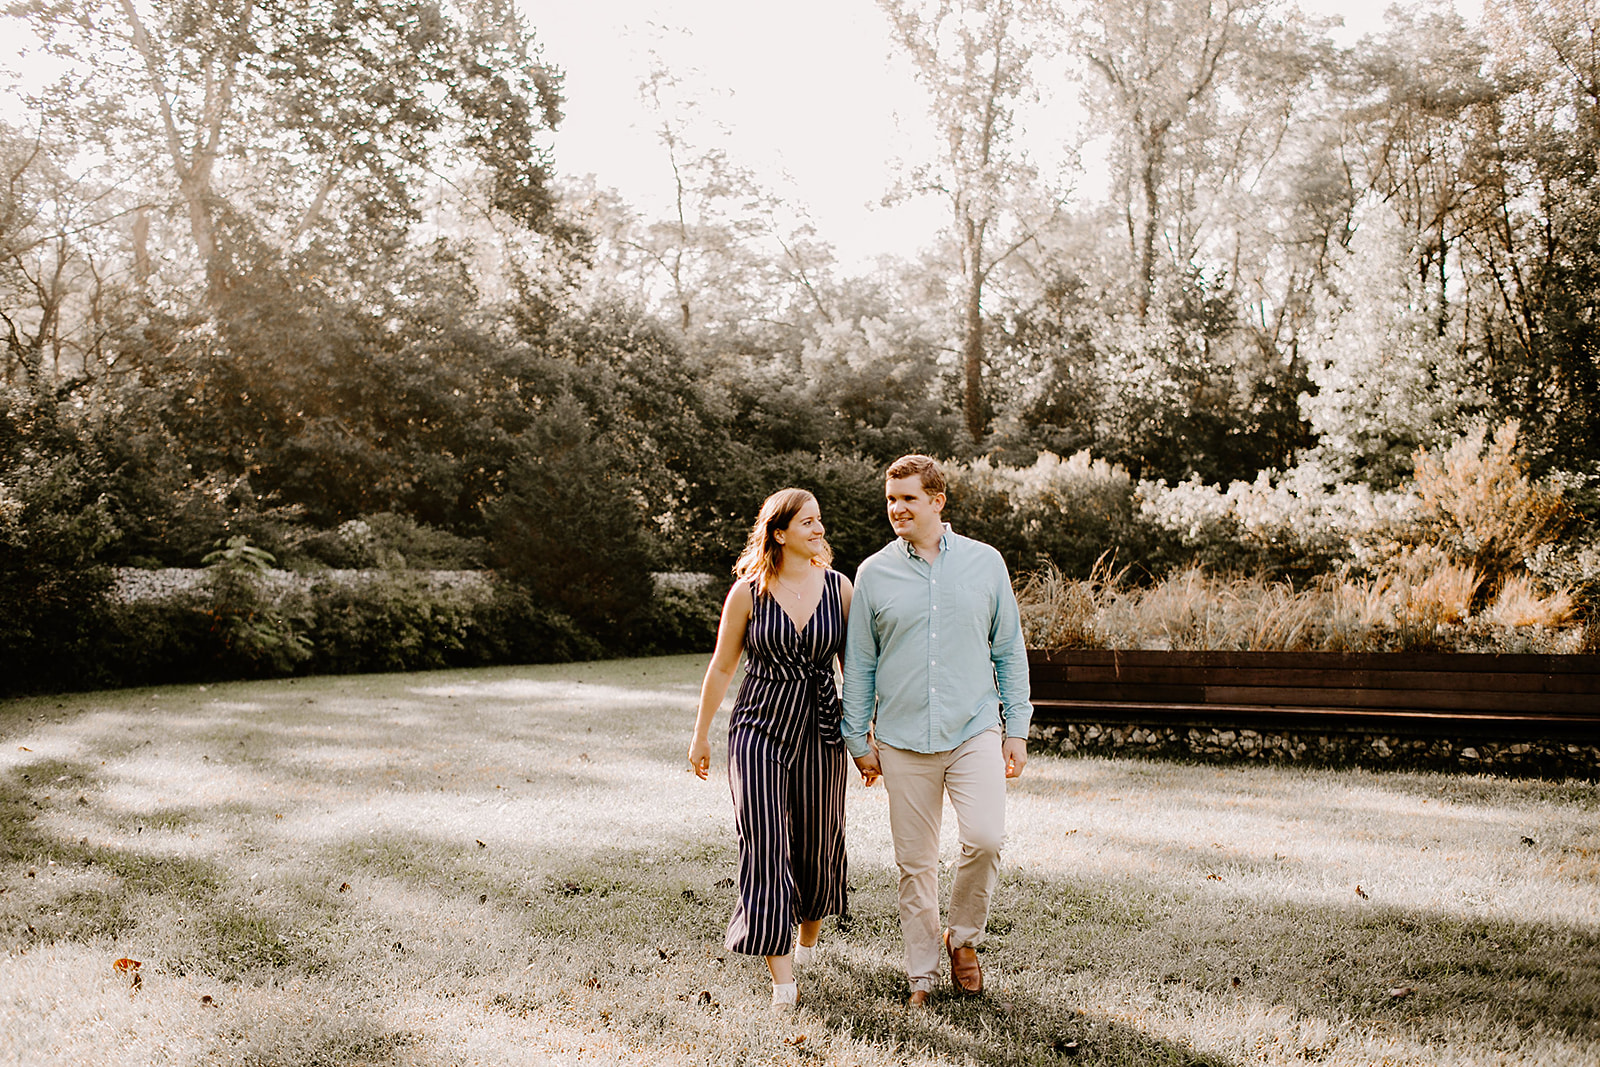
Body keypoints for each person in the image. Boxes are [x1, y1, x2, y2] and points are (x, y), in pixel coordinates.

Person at [841, 454, 1031, 1007]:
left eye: (908, 498)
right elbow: (861, 665)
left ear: (937, 501)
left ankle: (964, 940)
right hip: (900, 740)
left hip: (974, 729)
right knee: (915, 864)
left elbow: (1008, 649)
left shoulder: (985, 563)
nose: (897, 508)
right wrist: (859, 741)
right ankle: (921, 973)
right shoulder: (874, 573)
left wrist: (1015, 728)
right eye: (891, 499)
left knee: (986, 840)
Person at [689, 487, 853, 1014]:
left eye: (819, 521)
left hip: (820, 729)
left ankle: (807, 941)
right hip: (758, 728)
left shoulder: (841, 590)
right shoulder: (748, 593)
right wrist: (700, 734)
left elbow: (857, 670)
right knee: (763, 839)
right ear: (779, 533)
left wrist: (864, 737)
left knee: (815, 842)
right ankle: (782, 978)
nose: (819, 530)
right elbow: (721, 666)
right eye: (808, 523)